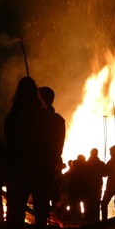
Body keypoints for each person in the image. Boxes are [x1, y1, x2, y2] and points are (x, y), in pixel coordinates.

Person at [3, 76, 53, 229]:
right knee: (40, 207)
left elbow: (9, 145)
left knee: (16, 208)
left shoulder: (12, 118)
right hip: (37, 168)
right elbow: (48, 143)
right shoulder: (42, 116)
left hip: (19, 169)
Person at [38, 86, 66, 214]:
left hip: (40, 164)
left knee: (41, 197)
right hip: (51, 163)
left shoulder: (37, 119)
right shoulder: (59, 120)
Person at [83, 147, 106, 222]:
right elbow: (105, 174)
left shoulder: (86, 164)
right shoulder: (100, 164)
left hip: (88, 186)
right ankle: (96, 219)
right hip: (97, 186)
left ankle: (87, 219)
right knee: (96, 203)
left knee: (88, 203)